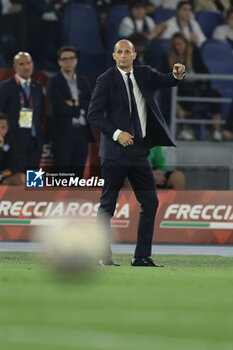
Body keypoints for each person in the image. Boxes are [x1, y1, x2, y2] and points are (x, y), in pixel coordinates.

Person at [87, 39, 185, 267]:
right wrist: (116, 133)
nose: (123, 55)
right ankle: (104, 256)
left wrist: (178, 74)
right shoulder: (105, 80)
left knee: (150, 203)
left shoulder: (144, 73)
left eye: (127, 51)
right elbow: (94, 114)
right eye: (119, 52)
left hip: (140, 151)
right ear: (113, 56)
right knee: (107, 205)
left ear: (134, 54)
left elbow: (167, 80)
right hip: (114, 152)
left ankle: (141, 256)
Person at [162, 32, 222, 141]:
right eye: (175, 45)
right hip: (178, 88)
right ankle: (183, 129)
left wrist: (193, 78)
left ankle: (216, 130)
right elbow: (165, 78)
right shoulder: (168, 58)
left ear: (185, 43)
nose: (177, 47)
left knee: (216, 95)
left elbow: (206, 75)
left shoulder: (194, 54)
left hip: (197, 86)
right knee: (185, 93)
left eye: (180, 44)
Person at [47, 45, 95, 177]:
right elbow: (58, 108)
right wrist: (79, 109)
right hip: (63, 133)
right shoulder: (54, 80)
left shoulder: (83, 80)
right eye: (64, 59)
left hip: (82, 132)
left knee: (77, 176)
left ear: (76, 60)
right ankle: (60, 199)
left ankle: (75, 198)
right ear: (59, 62)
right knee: (62, 175)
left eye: (71, 58)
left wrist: (74, 103)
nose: (68, 61)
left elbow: (92, 104)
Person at [0, 52, 45, 171]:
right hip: (15, 144)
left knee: (34, 183)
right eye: (22, 64)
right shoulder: (5, 87)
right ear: (15, 67)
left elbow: (41, 114)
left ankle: (34, 188)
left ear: (33, 64)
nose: (26, 67)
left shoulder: (37, 86)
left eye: (28, 63)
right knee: (18, 182)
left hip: (35, 141)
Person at [0, 113, 25, 185]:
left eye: (3, 127)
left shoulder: (10, 140)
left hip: (3, 176)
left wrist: (3, 174)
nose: (0, 130)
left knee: (23, 178)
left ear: (7, 129)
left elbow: (16, 164)